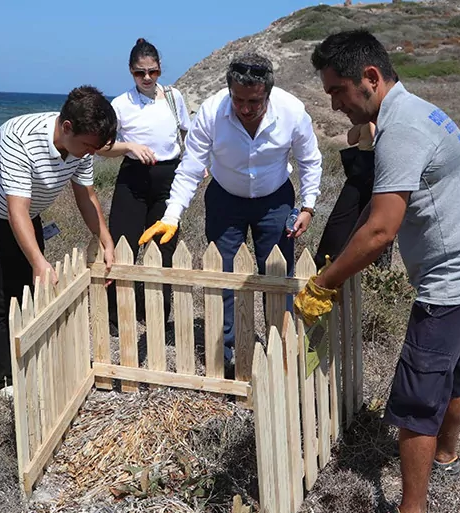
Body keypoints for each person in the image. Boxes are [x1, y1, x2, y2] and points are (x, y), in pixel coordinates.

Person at [296, 30, 460, 513]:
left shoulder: (403, 130)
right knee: (453, 373)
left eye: (339, 91)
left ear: (370, 78)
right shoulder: (415, 112)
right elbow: (382, 208)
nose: (336, 103)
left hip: (452, 284)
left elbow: (380, 231)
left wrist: (325, 281)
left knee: (415, 399)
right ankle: (446, 457)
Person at [139, 52, 323, 370]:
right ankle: (226, 351)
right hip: (225, 198)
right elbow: (192, 166)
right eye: (239, 100)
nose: (246, 109)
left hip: (275, 199)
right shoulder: (212, 112)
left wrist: (308, 205)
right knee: (223, 276)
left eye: (255, 101)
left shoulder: (292, 111)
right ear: (229, 92)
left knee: (277, 276)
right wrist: (172, 215)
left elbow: (310, 160)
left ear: (268, 93)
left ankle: (280, 348)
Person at [0, 86, 117, 389]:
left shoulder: (83, 144)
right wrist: (38, 261)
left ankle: (26, 359)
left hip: (25, 216)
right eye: (87, 146)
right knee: (0, 297)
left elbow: (86, 195)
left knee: (29, 292)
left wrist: (105, 239)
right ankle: (4, 382)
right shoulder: (19, 137)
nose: (90, 154)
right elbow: (16, 207)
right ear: (67, 127)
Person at [98, 38, 190, 325]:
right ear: (130, 71)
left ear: (160, 69)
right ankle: (116, 315)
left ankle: (157, 315)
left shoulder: (175, 98)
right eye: (140, 72)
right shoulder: (120, 104)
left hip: (168, 179)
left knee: (163, 248)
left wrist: (196, 165)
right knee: (124, 245)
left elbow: (187, 135)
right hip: (133, 179)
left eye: (153, 71)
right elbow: (101, 147)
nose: (147, 78)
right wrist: (129, 147)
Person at [312, 120, 392, 269]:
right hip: (362, 168)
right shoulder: (367, 118)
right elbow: (351, 139)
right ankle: (325, 264)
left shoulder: (386, 116)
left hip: (378, 168)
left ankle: (377, 272)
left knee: (378, 220)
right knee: (341, 220)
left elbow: (376, 137)